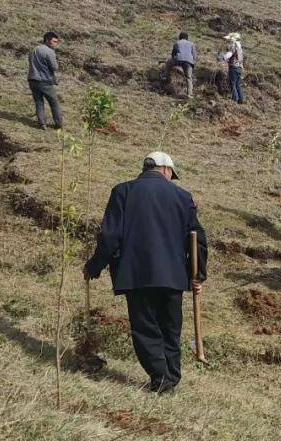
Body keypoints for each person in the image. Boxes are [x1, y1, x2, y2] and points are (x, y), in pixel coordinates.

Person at [83, 152, 208, 394]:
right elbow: (197, 239)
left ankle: (161, 379)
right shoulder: (183, 197)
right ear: (165, 170)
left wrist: (94, 266)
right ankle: (170, 377)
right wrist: (198, 275)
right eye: (172, 175)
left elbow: (110, 236)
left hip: (136, 275)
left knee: (146, 328)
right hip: (173, 276)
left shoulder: (123, 192)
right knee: (170, 328)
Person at [28, 31, 62, 129]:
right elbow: (55, 67)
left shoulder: (34, 50)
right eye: (54, 41)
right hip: (44, 80)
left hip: (32, 79)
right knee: (54, 102)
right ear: (47, 40)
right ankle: (58, 124)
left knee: (39, 101)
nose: (56, 44)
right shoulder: (49, 51)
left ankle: (42, 123)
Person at [162, 32, 196, 98]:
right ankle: (189, 94)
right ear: (187, 38)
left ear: (179, 37)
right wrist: (192, 63)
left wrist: (173, 61)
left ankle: (164, 76)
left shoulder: (177, 43)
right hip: (189, 62)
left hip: (178, 59)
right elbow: (194, 55)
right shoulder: (192, 44)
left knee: (168, 63)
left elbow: (173, 53)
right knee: (189, 78)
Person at [217, 32, 244, 104]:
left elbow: (229, 54)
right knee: (238, 84)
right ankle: (240, 99)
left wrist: (222, 57)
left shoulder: (233, 47)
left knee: (232, 83)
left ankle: (235, 99)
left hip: (233, 68)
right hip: (240, 68)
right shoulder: (239, 48)